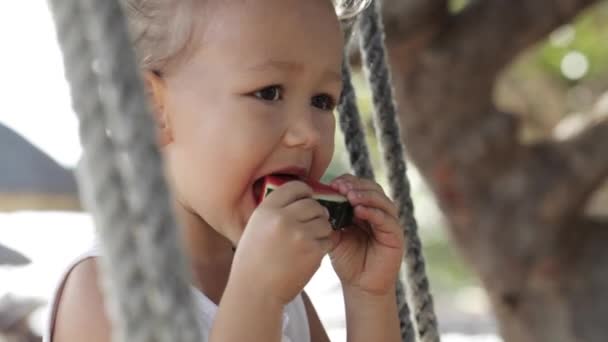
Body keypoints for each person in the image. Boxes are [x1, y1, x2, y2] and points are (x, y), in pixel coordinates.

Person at [44, 0, 405, 341]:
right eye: (269, 93)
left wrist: (368, 295)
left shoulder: (285, 292)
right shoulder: (105, 292)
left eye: (322, 101)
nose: (309, 133)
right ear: (150, 107)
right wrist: (257, 296)